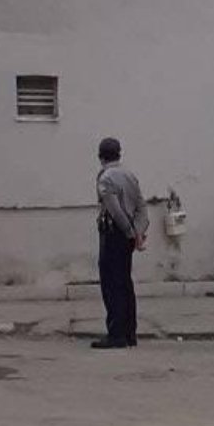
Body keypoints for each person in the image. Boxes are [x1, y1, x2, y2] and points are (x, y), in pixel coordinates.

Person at [93, 137, 149, 349]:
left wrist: (128, 232)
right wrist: (139, 233)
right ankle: (129, 333)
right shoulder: (130, 175)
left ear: (101, 156)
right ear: (119, 154)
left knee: (111, 283)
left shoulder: (105, 178)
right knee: (125, 282)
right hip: (129, 235)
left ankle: (116, 334)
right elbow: (142, 207)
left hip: (114, 234)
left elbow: (114, 210)